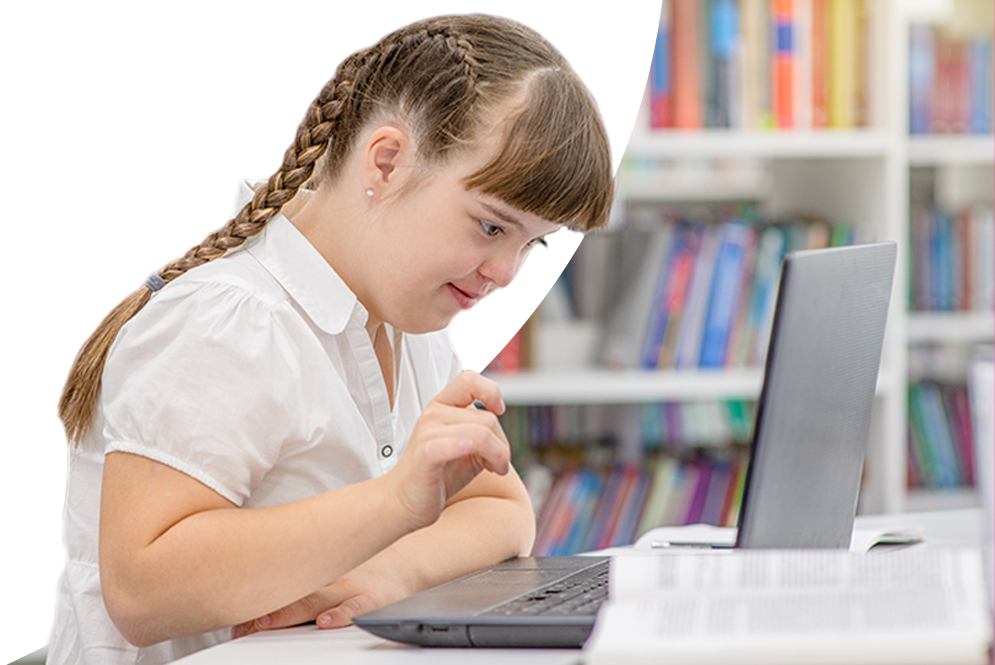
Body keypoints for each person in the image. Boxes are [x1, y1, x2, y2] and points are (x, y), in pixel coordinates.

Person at [46, 13, 613, 665]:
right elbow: (141, 589)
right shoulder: (226, 319)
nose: (507, 273)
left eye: (532, 242)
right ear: (388, 161)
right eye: (491, 228)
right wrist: (393, 504)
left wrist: (385, 573)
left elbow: (503, 510)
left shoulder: (410, 317)